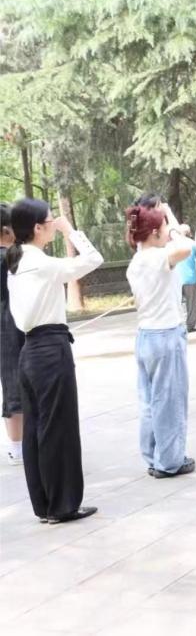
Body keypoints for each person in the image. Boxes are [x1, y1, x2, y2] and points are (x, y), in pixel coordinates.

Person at [7, 199, 103, 523]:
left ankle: (46, 505)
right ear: (37, 227)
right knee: (58, 428)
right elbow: (94, 259)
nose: (53, 223)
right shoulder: (41, 263)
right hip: (50, 349)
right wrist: (70, 231)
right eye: (50, 220)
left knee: (36, 429)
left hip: (30, 351)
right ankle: (63, 504)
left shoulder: (17, 262)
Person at [124, 202, 196, 479]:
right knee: (169, 401)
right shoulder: (156, 257)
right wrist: (173, 222)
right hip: (165, 336)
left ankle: (154, 455)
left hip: (146, 335)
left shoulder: (138, 260)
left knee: (149, 402)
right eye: (164, 228)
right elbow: (187, 247)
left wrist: (168, 222)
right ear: (154, 232)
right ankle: (170, 460)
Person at [1, 203, 25, 465]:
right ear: (7, 229)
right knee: (14, 386)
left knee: (10, 385)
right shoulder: (8, 258)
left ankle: (16, 447)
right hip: (9, 326)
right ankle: (17, 448)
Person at [177, 245, 196, 332]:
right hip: (190, 278)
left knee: (176, 304)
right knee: (192, 304)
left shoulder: (171, 245)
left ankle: (177, 325)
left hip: (176, 279)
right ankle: (190, 326)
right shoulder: (192, 244)